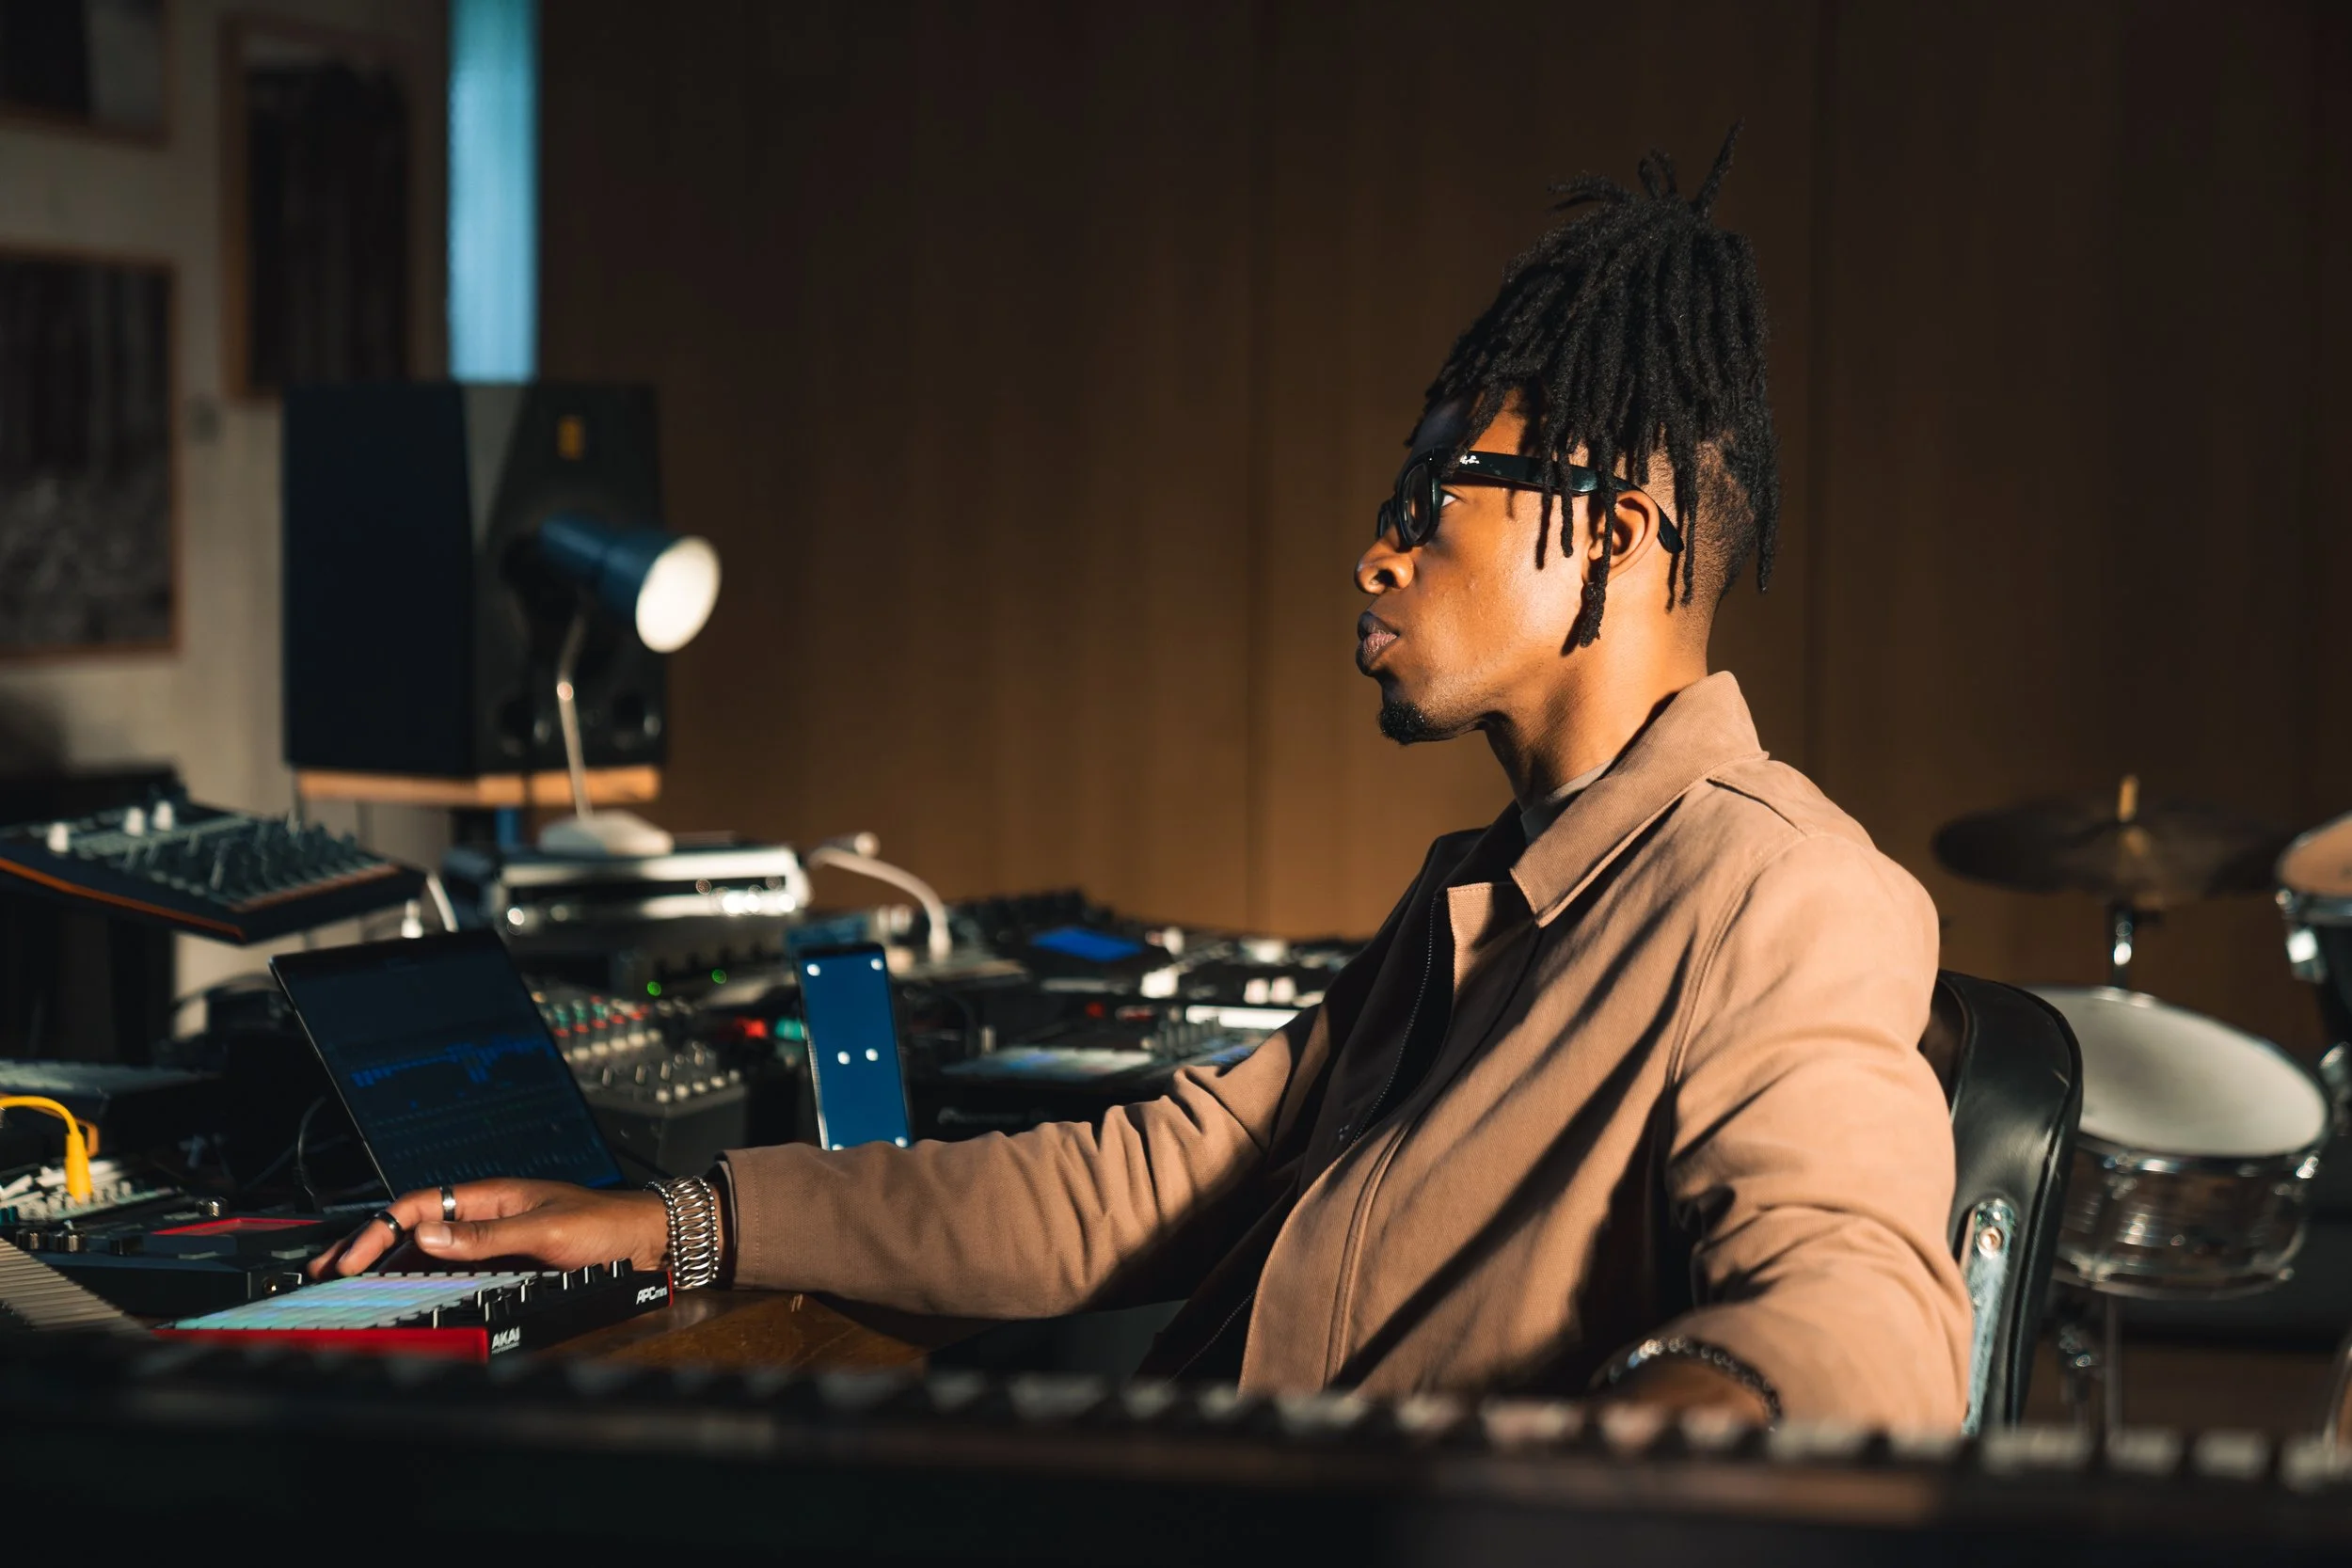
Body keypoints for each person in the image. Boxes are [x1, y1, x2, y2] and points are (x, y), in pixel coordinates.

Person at [313, 131, 1970, 1430]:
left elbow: (1862, 1326)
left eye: (1431, 491)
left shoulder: (1784, 894)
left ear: (1611, 527)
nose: (1376, 553)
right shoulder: (1484, 893)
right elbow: (1140, 1182)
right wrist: (673, 1221)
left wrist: (1630, 1464)